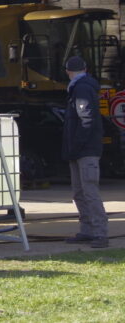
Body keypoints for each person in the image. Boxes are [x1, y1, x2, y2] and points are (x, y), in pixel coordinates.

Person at [61, 56, 109, 248]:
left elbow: (86, 119)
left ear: (67, 71)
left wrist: (76, 146)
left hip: (85, 150)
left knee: (88, 191)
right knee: (80, 192)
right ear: (86, 68)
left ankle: (99, 233)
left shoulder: (80, 88)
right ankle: (88, 230)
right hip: (82, 149)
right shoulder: (83, 87)